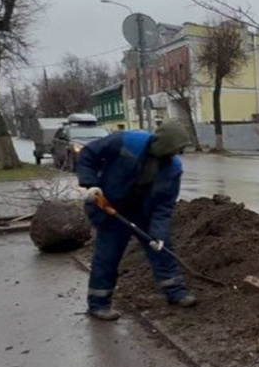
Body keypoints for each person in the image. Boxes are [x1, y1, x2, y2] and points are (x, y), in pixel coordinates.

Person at [76, 122, 197, 321]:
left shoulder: (173, 168)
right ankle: (99, 304)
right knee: (107, 256)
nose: (178, 153)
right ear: (163, 143)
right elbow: (88, 154)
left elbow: (164, 205)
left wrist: (159, 234)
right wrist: (90, 184)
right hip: (112, 207)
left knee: (161, 248)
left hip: (144, 212)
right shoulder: (126, 142)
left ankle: (176, 291)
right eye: (176, 148)